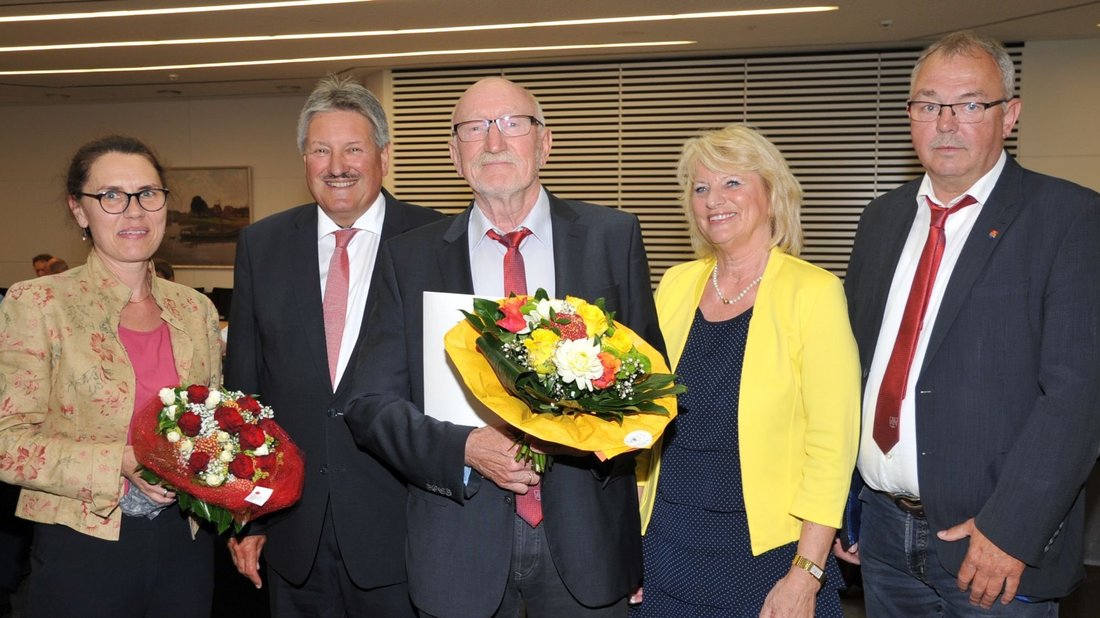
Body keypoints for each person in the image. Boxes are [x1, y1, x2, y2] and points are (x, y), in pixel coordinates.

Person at [343, 76, 663, 617]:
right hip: (457, 546)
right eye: (473, 128)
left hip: (587, 544)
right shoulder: (409, 259)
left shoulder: (612, 238)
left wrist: (586, 433)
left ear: (545, 142)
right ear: (453, 153)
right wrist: (462, 450)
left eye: (513, 124)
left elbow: (650, 390)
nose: (493, 142)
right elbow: (367, 405)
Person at [837, 30, 1100, 614]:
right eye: (929, 105)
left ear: (1010, 115)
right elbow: (855, 369)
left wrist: (1012, 530)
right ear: (911, 116)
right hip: (880, 532)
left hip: (993, 545)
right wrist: (842, 503)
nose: (947, 123)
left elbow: (1079, 397)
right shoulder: (880, 219)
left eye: (971, 105)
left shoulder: (1070, 218)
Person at [224, 74, 443, 616]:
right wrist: (249, 516)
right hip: (294, 535)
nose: (337, 165)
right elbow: (245, 392)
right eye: (321, 149)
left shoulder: (437, 241)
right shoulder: (262, 244)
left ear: (383, 156)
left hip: (404, 528)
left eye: (353, 148)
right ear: (304, 160)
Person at [629, 125, 860, 617]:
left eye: (733, 182)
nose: (714, 199)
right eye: (700, 187)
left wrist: (807, 573)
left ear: (772, 196)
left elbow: (832, 446)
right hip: (665, 541)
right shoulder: (674, 284)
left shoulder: (813, 293)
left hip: (768, 554)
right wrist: (625, 544)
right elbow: (640, 418)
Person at [0, 135, 222, 617]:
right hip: (82, 544)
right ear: (80, 211)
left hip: (185, 542)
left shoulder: (196, 309)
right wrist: (117, 461)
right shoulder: (38, 304)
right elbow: (7, 443)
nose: (134, 212)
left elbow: (212, 426)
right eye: (111, 197)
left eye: (148, 194)